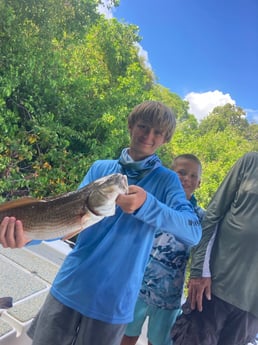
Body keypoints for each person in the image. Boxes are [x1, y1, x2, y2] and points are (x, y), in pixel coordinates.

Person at [0, 100, 202, 345]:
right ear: (131, 126)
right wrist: (28, 237)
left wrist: (147, 204)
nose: (148, 135)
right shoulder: (102, 168)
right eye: (143, 126)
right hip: (69, 285)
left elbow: (193, 232)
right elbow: (66, 223)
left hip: (114, 303)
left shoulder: (167, 181)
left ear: (165, 139)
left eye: (158, 132)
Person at [171, 151, 258, 345]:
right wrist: (199, 270)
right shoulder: (250, 162)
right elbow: (213, 215)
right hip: (213, 286)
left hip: (252, 307)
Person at [121, 154, 205, 345]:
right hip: (137, 286)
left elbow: (204, 254)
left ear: (199, 183)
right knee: (125, 336)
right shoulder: (152, 204)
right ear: (170, 174)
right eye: (181, 173)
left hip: (169, 296)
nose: (187, 179)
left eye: (193, 176)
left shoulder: (200, 218)